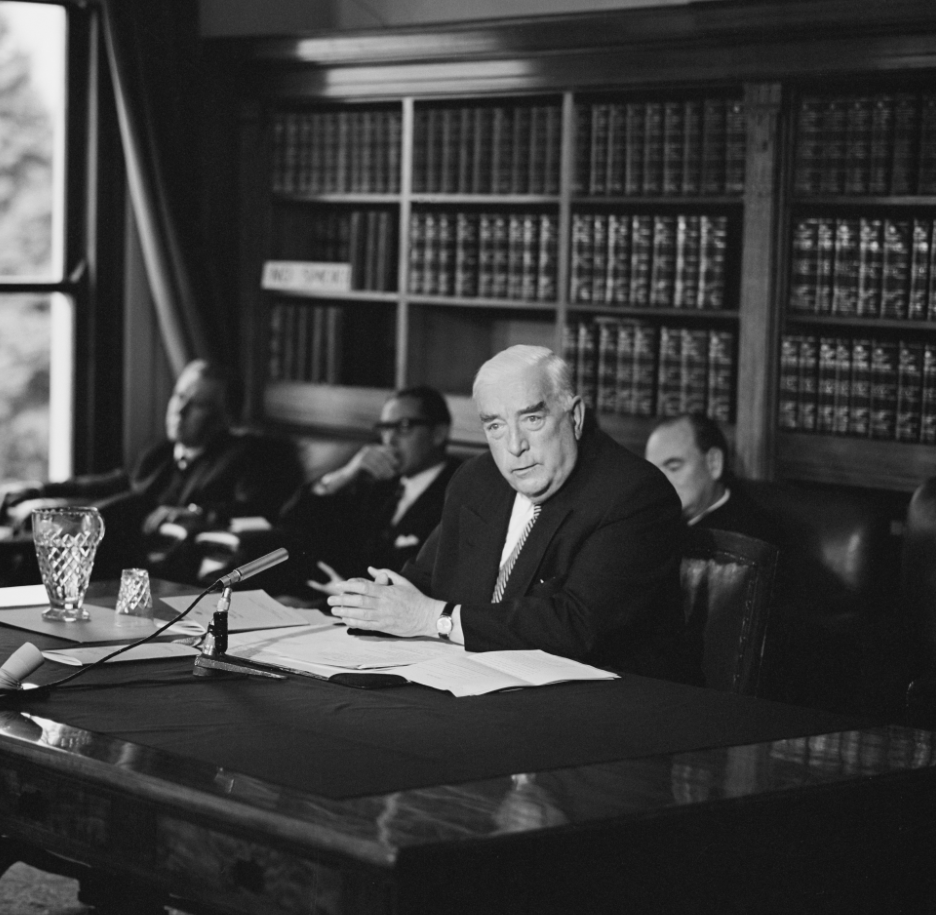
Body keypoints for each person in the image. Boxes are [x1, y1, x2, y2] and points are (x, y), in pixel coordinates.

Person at [327, 345, 694, 681]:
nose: (514, 446)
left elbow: (578, 627)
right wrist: (374, 604)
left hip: (604, 712)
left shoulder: (633, 493)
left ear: (575, 416)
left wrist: (432, 619)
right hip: (478, 685)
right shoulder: (477, 480)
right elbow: (425, 581)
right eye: (496, 426)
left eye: (532, 419)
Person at [0, 359, 303, 581]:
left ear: (223, 417)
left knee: (125, 509)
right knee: (71, 514)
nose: (179, 410)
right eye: (180, 396)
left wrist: (196, 511)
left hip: (150, 554)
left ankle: (16, 552)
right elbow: (112, 483)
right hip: (111, 541)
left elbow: (255, 508)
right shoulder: (159, 452)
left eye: (196, 405)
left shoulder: (246, 455)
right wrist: (42, 490)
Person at [276, 385, 460, 600]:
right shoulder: (376, 480)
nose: (389, 440)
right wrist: (344, 475)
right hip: (330, 603)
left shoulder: (458, 490)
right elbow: (292, 524)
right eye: (385, 428)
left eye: (403, 427)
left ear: (438, 433)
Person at [644, 413, 777, 545]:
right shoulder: (650, 523)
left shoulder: (751, 535)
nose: (659, 482)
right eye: (653, 472)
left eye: (673, 468)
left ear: (714, 463)